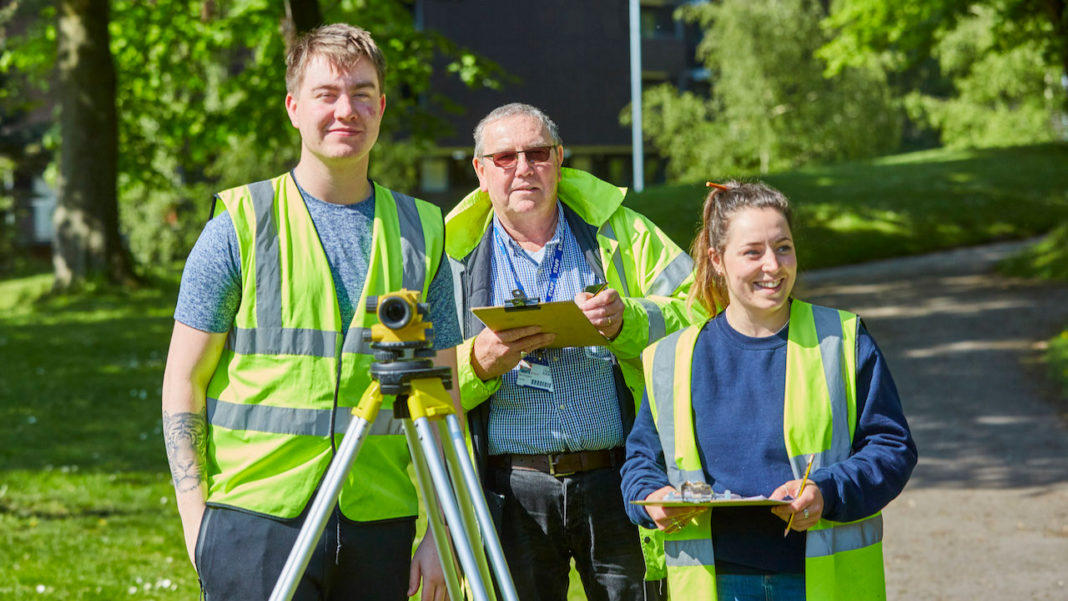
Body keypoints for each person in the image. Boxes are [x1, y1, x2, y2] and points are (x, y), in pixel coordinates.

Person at [160, 24, 460, 601]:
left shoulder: (424, 234)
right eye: (327, 94)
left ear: (382, 105)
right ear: (295, 108)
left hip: (378, 521)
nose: (346, 109)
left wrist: (440, 533)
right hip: (255, 520)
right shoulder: (240, 226)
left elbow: (440, 397)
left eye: (362, 92)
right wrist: (196, 520)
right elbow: (184, 380)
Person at [444, 102, 705, 601]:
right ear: (480, 171)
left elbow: (702, 315)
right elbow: (419, 371)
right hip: (510, 487)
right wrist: (478, 362)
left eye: (537, 153)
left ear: (560, 158)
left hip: (617, 477)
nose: (523, 168)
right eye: (503, 158)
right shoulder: (450, 255)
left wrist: (628, 320)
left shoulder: (623, 231)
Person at [620, 181, 918, 601]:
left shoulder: (842, 339)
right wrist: (653, 498)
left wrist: (826, 491)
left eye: (783, 248)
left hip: (820, 580)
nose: (773, 266)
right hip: (715, 582)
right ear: (716, 260)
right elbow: (640, 463)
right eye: (752, 252)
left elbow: (891, 447)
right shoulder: (672, 358)